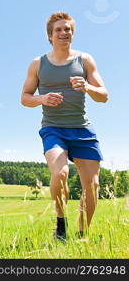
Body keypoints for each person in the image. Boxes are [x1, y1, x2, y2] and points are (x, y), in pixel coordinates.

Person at [21, 12, 108, 241]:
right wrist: (42, 98)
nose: (64, 33)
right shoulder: (38, 64)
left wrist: (87, 87)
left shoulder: (85, 60)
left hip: (82, 129)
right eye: (59, 30)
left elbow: (104, 96)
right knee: (60, 173)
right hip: (53, 128)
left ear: (73, 33)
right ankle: (61, 223)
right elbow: (25, 97)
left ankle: (81, 235)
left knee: (93, 186)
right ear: (50, 36)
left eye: (67, 29)